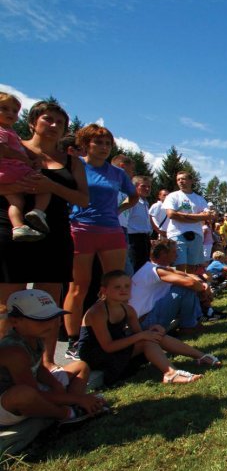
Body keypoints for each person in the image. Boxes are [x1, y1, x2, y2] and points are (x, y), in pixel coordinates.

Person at [0, 100, 90, 370]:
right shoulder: (10, 147)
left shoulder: (71, 161)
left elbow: (83, 199)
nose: (53, 126)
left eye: (59, 123)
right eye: (47, 119)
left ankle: (46, 364)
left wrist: (50, 185)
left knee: (47, 303)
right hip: (10, 229)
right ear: (32, 122)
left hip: (54, 234)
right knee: (6, 303)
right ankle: (6, 368)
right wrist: (17, 185)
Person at [62, 124, 137, 360]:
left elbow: (133, 195)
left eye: (108, 144)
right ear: (85, 144)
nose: (104, 147)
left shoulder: (117, 173)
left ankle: (115, 331)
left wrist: (118, 209)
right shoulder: (75, 164)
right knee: (79, 287)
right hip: (80, 229)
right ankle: (74, 340)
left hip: (111, 230)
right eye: (98, 143)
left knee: (116, 286)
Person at [78, 270, 211, 386]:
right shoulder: (98, 312)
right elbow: (108, 346)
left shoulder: (128, 309)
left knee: (153, 336)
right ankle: (171, 373)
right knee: (147, 339)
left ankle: (201, 356)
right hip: (96, 355)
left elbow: (140, 334)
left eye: (127, 286)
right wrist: (142, 335)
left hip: (115, 348)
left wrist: (152, 330)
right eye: (117, 287)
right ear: (104, 290)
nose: (123, 290)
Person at [0, 289, 106, 427]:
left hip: (33, 389)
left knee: (80, 366)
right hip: (8, 403)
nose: (50, 324)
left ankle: (72, 405)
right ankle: (67, 414)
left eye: (52, 317)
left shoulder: (34, 335)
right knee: (24, 395)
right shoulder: (13, 351)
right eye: (41, 319)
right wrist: (79, 398)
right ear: (15, 321)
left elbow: (38, 368)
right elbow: (34, 393)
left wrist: (55, 385)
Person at [0, 92, 52, 241]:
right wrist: (25, 160)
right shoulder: (2, 130)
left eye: (14, 111)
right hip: (12, 169)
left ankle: (18, 227)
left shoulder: (10, 131)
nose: (10, 113)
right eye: (4, 108)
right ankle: (38, 211)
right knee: (45, 185)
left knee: (17, 202)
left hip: (5, 174)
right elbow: (3, 150)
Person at [130, 239, 207, 334]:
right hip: (146, 322)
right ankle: (189, 326)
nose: (177, 255)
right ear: (163, 253)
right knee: (185, 288)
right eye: (174, 252)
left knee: (188, 285)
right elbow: (190, 283)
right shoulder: (155, 270)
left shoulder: (154, 267)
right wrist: (203, 290)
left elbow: (187, 275)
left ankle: (197, 319)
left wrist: (201, 282)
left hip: (143, 320)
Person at [164, 171, 211, 274]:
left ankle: (189, 289)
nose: (180, 181)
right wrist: (197, 217)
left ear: (191, 181)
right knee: (180, 266)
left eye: (183, 179)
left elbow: (208, 215)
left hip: (196, 235)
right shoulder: (172, 196)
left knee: (192, 268)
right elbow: (171, 214)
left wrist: (182, 215)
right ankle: (180, 289)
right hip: (177, 234)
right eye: (178, 179)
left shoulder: (199, 199)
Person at [126, 175, 160, 272]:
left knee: (144, 266)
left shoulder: (145, 203)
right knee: (135, 266)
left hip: (144, 238)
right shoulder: (131, 201)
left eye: (149, 186)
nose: (147, 189)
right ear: (135, 187)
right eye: (143, 186)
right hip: (133, 239)